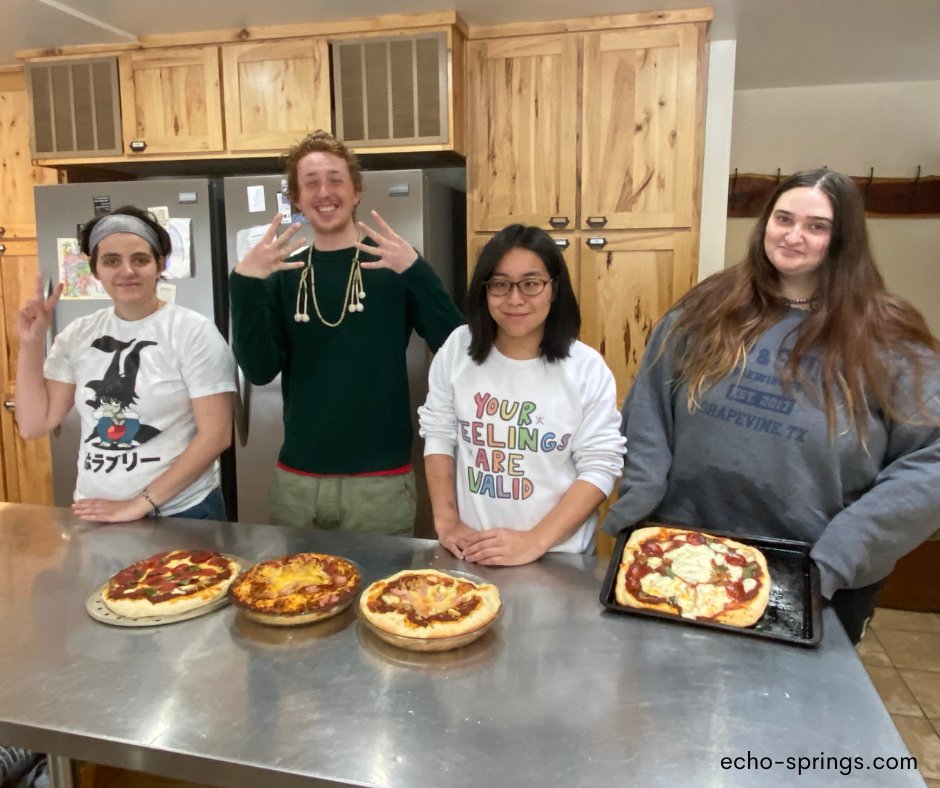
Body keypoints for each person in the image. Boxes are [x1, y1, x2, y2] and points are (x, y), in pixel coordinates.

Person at [604, 168, 940, 643]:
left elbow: (932, 461)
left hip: (815, 572)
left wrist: (841, 554)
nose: (793, 236)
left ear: (844, 240)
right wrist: (640, 495)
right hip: (683, 551)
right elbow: (650, 408)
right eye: (783, 219)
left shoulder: (887, 336)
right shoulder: (706, 308)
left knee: (792, 714)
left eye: (817, 226)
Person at [229, 129, 463, 535]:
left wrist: (418, 272)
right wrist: (244, 284)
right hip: (296, 482)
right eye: (311, 182)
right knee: (295, 597)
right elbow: (260, 370)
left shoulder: (393, 266)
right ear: (297, 199)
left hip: (381, 484)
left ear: (356, 191)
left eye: (336, 179)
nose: (325, 192)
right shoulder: (283, 277)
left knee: (379, 597)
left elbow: (455, 348)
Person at [418, 224, 625, 565]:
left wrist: (533, 542)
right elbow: (439, 435)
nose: (515, 299)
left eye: (531, 284)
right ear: (485, 289)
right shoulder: (457, 348)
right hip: (473, 552)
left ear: (553, 289)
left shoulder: (586, 368)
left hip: (559, 559)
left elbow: (601, 467)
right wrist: (447, 521)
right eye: (500, 284)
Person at [15, 206, 236, 522]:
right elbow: (35, 424)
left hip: (181, 512)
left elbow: (216, 435)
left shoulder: (192, 332)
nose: (127, 271)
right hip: (98, 511)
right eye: (111, 260)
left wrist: (139, 504)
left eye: (140, 259)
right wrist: (30, 342)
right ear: (96, 271)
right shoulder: (78, 334)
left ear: (160, 265)